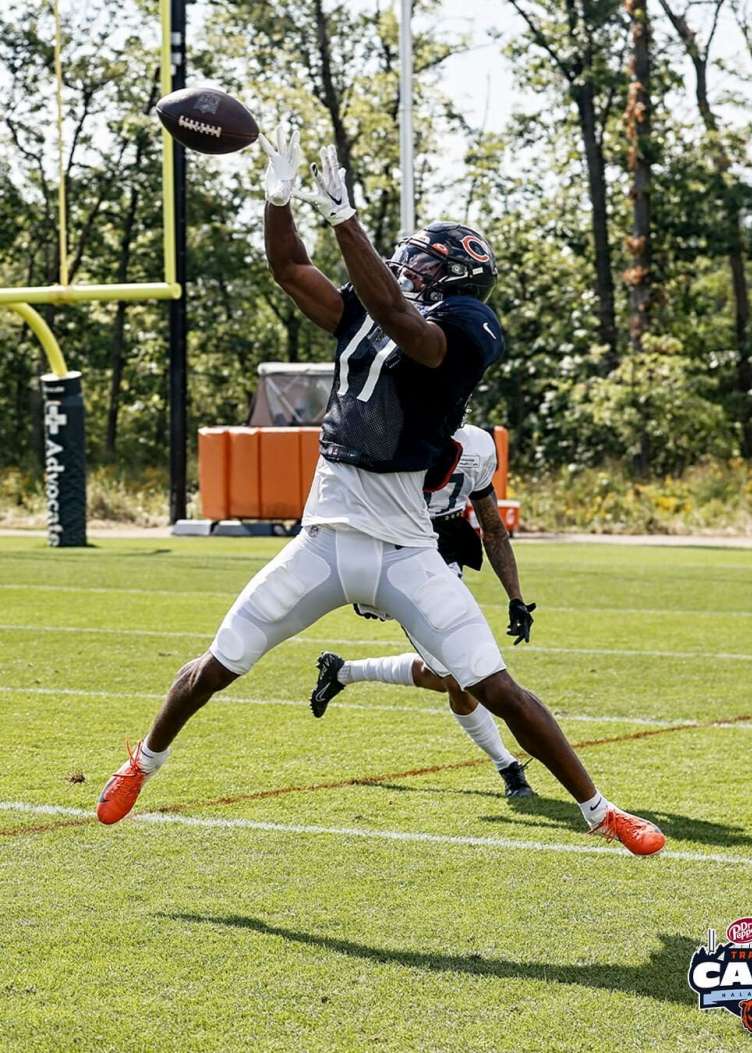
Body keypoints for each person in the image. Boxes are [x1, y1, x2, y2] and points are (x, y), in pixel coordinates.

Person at [96, 123, 665, 857]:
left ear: (453, 279)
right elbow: (291, 270)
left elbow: (402, 319)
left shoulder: (469, 325)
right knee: (219, 661)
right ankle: (141, 764)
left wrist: (345, 218)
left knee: (496, 686)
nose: (407, 265)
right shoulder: (370, 305)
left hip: (405, 548)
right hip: (325, 537)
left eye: (423, 260)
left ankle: (601, 811)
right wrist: (278, 199)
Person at [310, 422, 537, 799]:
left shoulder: (479, 444)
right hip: (399, 551)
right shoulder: (392, 433)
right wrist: (364, 575)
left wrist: (515, 597)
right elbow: (354, 503)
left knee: (454, 672)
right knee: (460, 675)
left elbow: (493, 528)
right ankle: (506, 765)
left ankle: (343, 672)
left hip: (445, 551)